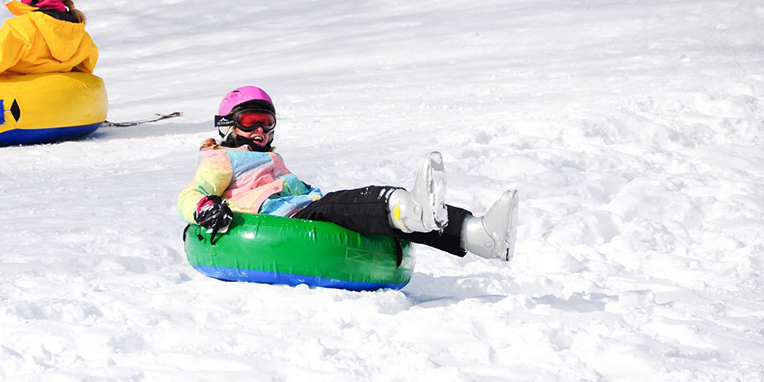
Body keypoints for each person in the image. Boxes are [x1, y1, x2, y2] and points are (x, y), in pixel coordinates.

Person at [177, 86, 519, 261]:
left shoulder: (270, 158)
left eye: (267, 123)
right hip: (286, 217)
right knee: (364, 203)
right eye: (249, 121)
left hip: (305, 208)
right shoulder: (222, 159)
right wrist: (205, 207)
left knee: (386, 217)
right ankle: (410, 208)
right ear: (226, 126)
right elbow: (190, 195)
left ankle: (477, 235)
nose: (260, 131)